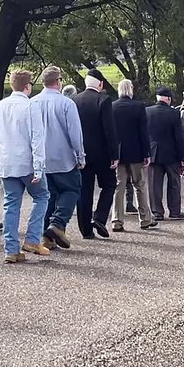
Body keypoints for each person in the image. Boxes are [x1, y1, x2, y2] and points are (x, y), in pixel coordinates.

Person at [0, 70, 51, 264]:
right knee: (42, 196)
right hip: (26, 162)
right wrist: (39, 167)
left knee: (11, 204)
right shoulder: (30, 106)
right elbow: (37, 139)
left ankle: (11, 248)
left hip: (7, 161)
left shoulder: (0, 106)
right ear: (28, 86)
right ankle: (33, 238)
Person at [32, 66, 84, 250]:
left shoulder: (33, 103)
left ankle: (47, 237)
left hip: (41, 158)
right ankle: (58, 223)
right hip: (63, 157)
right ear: (58, 81)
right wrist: (80, 155)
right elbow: (75, 133)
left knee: (48, 196)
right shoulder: (66, 103)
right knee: (72, 190)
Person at [71, 69, 119, 240]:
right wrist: (115, 153)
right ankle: (99, 217)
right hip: (102, 153)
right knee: (109, 184)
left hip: (81, 152)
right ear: (100, 84)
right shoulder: (104, 100)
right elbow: (109, 129)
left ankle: (85, 229)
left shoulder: (73, 100)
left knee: (84, 190)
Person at [110, 79, 156, 232]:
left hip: (119, 153)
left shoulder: (112, 107)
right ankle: (145, 219)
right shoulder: (138, 107)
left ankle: (117, 220)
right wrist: (147, 153)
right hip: (136, 152)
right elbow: (144, 132)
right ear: (131, 90)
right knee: (140, 185)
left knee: (119, 187)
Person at [146, 87, 184, 221]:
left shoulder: (147, 112)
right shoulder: (174, 114)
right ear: (168, 99)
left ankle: (157, 212)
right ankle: (174, 211)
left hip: (153, 152)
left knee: (154, 184)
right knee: (174, 183)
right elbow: (179, 137)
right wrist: (183, 157)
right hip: (171, 153)